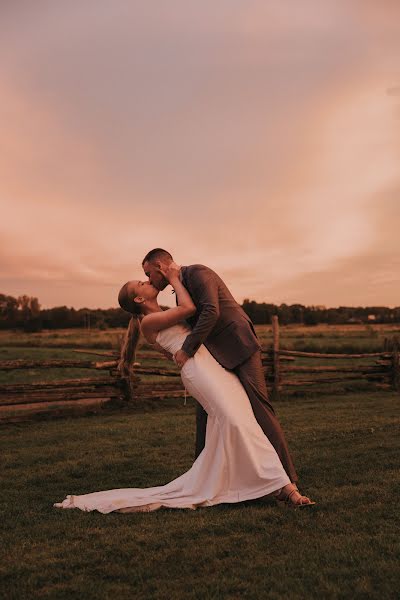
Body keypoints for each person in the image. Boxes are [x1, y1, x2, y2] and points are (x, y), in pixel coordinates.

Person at [54, 266, 314, 513]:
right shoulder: (148, 322)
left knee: (244, 420)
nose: (146, 281)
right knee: (234, 421)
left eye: (145, 277)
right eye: (141, 283)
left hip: (214, 366)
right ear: (137, 299)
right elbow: (189, 308)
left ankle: (260, 483)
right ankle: (286, 488)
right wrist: (174, 276)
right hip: (199, 371)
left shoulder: (163, 311)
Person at [142, 249, 298, 483]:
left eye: (148, 274)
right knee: (205, 414)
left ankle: (287, 477)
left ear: (160, 267)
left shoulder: (197, 273)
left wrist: (187, 350)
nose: (149, 280)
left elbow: (211, 311)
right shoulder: (180, 289)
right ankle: (203, 478)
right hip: (215, 358)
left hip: (238, 344)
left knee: (259, 408)